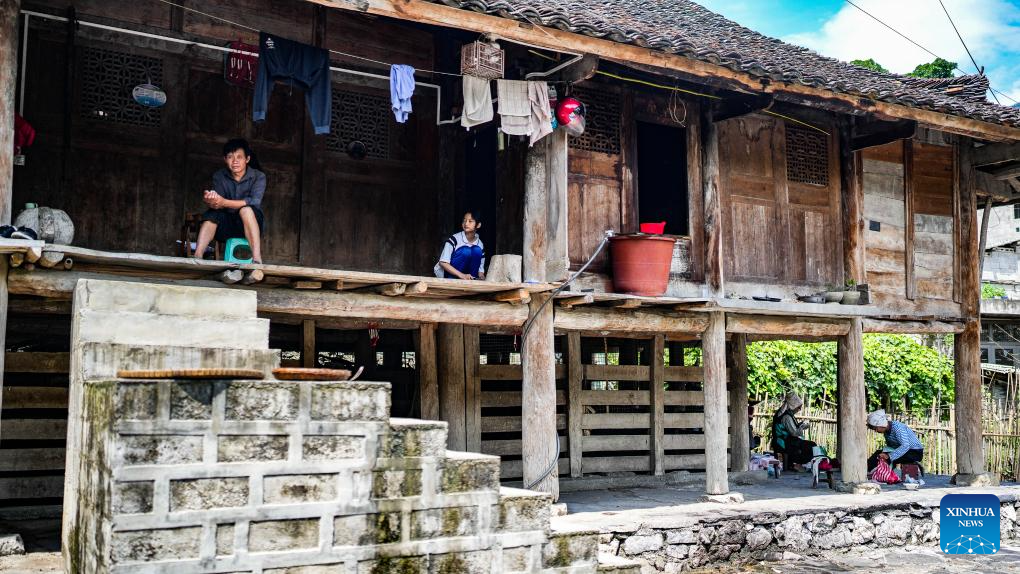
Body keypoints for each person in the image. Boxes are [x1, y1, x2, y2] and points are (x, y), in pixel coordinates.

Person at [194, 138, 266, 264]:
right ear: (225, 160)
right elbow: (218, 204)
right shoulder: (219, 176)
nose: (235, 161)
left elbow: (254, 201)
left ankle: (257, 259)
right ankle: (197, 256)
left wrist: (223, 202)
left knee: (246, 210)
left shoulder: (258, 176)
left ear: (247, 159)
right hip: (226, 225)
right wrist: (210, 199)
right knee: (212, 214)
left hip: (250, 225)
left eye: (239, 157)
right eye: (230, 157)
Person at [771, 391, 817, 469]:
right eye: (798, 407)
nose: (799, 409)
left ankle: (791, 464)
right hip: (785, 442)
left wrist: (800, 425)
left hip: (785, 440)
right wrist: (802, 427)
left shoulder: (785, 414)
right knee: (811, 446)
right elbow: (794, 433)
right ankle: (795, 463)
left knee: (808, 445)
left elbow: (789, 428)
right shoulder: (787, 417)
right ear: (793, 406)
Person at [434, 211, 485, 280]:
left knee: (477, 250)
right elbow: (443, 262)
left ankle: (472, 280)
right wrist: (461, 275)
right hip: (449, 275)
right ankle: (453, 280)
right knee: (466, 251)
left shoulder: (480, 244)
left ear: (478, 225)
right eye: (464, 220)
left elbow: (480, 271)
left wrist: (482, 278)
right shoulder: (454, 239)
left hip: (467, 276)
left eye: (470, 221)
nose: (466, 223)